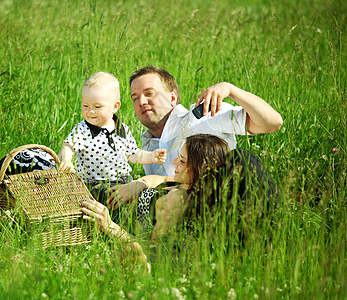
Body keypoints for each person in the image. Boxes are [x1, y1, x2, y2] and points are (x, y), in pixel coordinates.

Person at [81, 134, 280, 272]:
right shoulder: (187, 184)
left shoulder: (178, 201)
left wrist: (109, 226)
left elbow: (151, 247)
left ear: (201, 170)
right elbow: (157, 180)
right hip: (120, 194)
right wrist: (138, 184)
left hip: (113, 212)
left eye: (183, 161)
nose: (175, 162)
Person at [106, 65, 283, 209]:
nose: (141, 102)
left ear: (172, 97)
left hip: (234, 202)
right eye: (135, 98)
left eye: (149, 93)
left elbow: (272, 122)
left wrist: (230, 89)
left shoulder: (203, 115)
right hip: (195, 219)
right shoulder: (146, 149)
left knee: (240, 157)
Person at [58, 72, 167, 211]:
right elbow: (68, 145)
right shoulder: (83, 129)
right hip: (94, 185)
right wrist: (66, 159)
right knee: (96, 209)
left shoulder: (122, 130)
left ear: (115, 107)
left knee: (128, 209)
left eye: (97, 107)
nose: (90, 112)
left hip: (123, 182)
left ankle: (126, 226)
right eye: (85, 106)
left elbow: (133, 155)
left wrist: (151, 156)